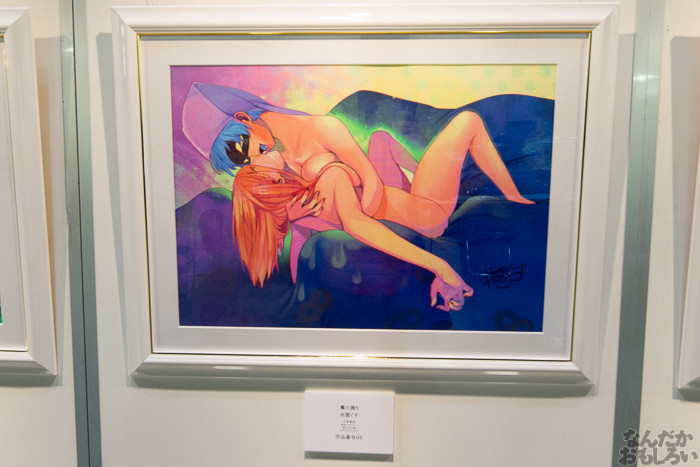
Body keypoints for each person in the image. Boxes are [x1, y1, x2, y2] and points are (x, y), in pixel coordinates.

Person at [232, 110, 531, 312]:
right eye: (254, 166)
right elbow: (358, 225)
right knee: (468, 121)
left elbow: (301, 257)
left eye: (253, 158)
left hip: (401, 203)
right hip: (426, 213)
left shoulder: (300, 207)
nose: (259, 161)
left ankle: (425, 173)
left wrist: (299, 293)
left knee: (379, 140)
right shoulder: (328, 179)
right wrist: (439, 266)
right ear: (268, 184)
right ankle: (515, 196)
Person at [182, 83, 532, 220]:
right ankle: (435, 185)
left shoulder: (323, 128)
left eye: (248, 149)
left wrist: (348, 207)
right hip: (406, 214)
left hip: (416, 210)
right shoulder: (277, 161)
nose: (255, 161)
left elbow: (371, 183)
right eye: (245, 162)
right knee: (379, 142)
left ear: (244, 118)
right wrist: (299, 214)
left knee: (467, 120)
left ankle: (513, 195)